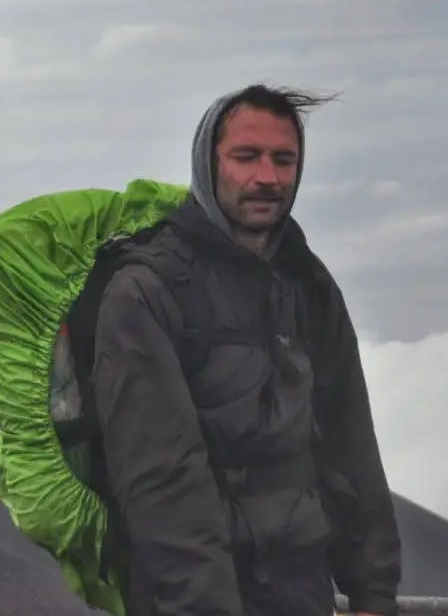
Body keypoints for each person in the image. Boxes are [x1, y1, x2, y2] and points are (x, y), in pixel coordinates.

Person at [89, 84, 402, 616]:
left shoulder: (306, 284)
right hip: (191, 598)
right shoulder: (147, 290)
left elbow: (350, 446)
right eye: (246, 157)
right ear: (207, 163)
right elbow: (162, 480)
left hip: (301, 587)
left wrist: (374, 593)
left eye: (284, 160)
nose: (267, 177)